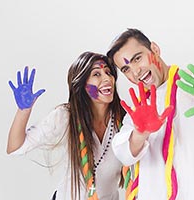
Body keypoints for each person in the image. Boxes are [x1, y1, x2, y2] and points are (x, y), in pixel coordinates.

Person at [107, 28, 194, 199]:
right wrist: (141, 133)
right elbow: (123, 153)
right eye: (126, 69)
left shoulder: (191, 86)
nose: (136, 71)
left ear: (155, 49)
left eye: (138, 58)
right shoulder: (138, 112)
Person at [7, 52, 126, 200]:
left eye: (108, 72)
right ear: (82, 84)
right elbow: (15, 147)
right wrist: (24, 110)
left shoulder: (125, 122)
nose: (107, 78)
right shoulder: (66, 116)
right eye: (97, 74)